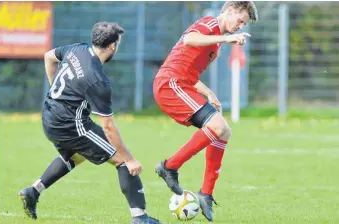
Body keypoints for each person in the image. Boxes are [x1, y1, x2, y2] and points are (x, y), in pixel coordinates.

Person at [19, 21, 161, 224]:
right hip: (70, 124)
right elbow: (108, 127)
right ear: (112, 46)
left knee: (76, 156)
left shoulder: (78, 49)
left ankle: (33, 191)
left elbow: (49, 57)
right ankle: (140, 218)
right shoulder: (97, 79)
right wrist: (129, 159)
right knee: (120, 159)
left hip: (49, 116)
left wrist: (56, 91)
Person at [153, 1, 258, 222]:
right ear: (229, 10)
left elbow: (191, 76)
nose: (240, 26)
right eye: (240, 20)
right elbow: (189, 39)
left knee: (224, 131)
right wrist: (224, 38)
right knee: (217, 126)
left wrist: (209, 93)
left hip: (181, 85)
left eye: (244, 24)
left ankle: (206, 194)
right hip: (169, 85)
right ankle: (169, 166)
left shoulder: (216, 43)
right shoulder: (210, 23)